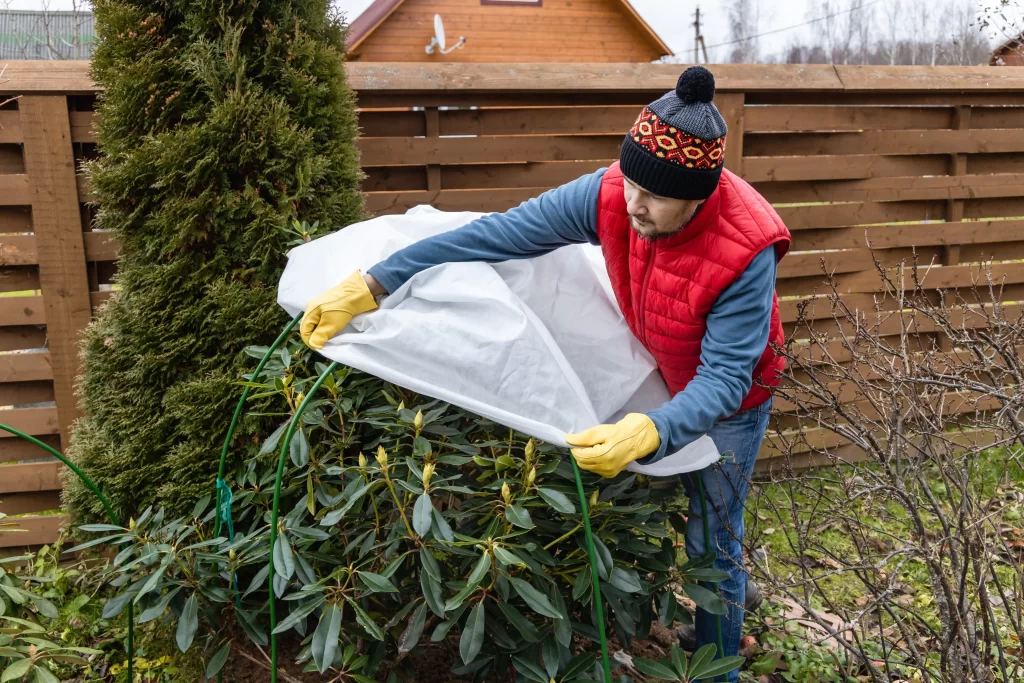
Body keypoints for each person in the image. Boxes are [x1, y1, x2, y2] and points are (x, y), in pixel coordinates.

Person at [300, 65, 789, 677]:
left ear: (700, 193)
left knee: (713, 528)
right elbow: (499, 235)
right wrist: (379, 280)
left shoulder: (746, 246)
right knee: (681, 515)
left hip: (735, 398)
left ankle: (720, 666)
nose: (633, 204)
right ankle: (729, 610)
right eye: (630, 182)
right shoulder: (614, 193)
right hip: (664, 363)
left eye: (655, 195)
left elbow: (724, 379)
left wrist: (652, 431)